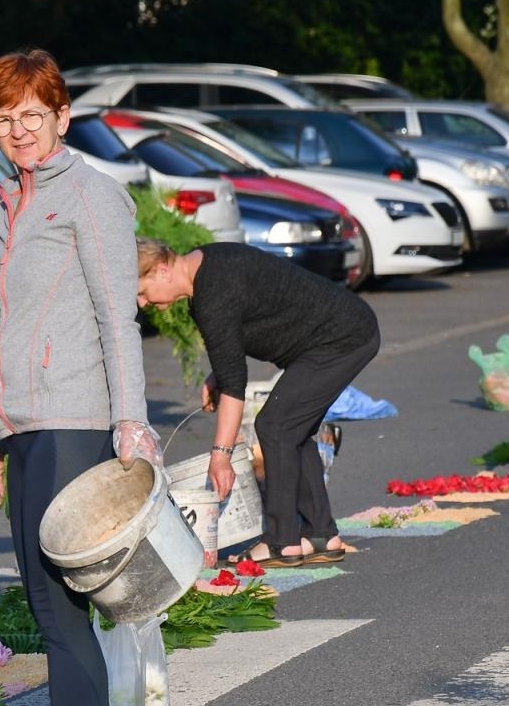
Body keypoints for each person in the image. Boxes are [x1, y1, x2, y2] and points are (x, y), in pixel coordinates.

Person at [0, 50, 157, 706]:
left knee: (59, 608)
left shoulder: (93, 197)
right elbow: (6, 332)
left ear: (63, 116)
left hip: (75, 422)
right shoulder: (9, 204)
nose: (18, 131)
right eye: (3, 119)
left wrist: (131, 424)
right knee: (56, 608)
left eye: (31, 116)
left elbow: (120, 319)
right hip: (24, 426)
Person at [136, 238, 379, 567]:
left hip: (341, 337)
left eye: (142, 290)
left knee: (275, 426)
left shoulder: (211, 291)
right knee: (292, 427)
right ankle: (321, 534)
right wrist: (219, 374)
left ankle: (281, 542)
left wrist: (220, 455)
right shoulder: (208, 266)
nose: (142, 302)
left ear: (162, 269)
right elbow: (233, 344)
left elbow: (236, 385)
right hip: (340, 333)